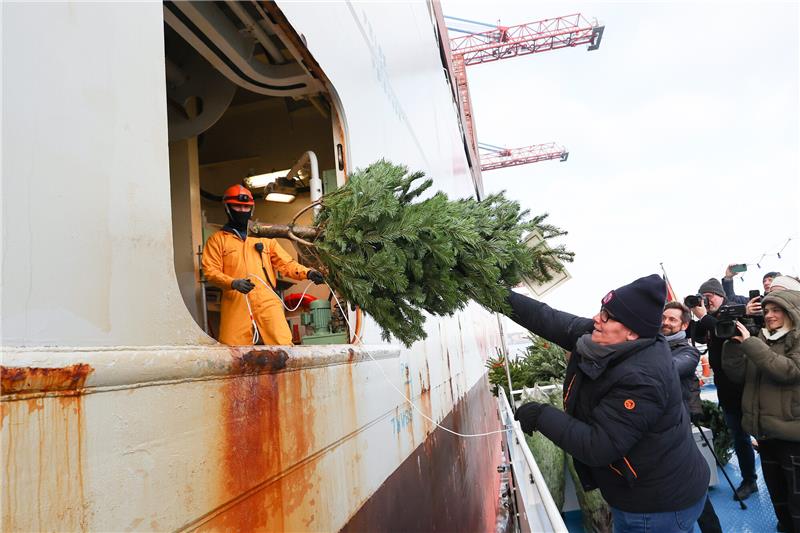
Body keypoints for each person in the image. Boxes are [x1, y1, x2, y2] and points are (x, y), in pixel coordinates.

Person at [509, 275, 710, 533]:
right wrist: (499, 295)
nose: (597, 319)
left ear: (632, 332)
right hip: (651, 490)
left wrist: (540, 415)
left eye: (607, 316)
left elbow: (599, 445)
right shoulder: (607, 338)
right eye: (602, 310)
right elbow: (549, 319)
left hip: (656, 506)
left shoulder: (643, 379)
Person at [201, 184, 324, 345]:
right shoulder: (217, 240)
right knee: (234, 350)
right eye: (237, 206)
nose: (242, 210)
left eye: (246, 207)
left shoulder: (264, 238)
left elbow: (286, 264)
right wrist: (233, 283)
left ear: (252, 208)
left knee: (283, 345)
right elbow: (210, 271)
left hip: (266, 298)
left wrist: (307, 272)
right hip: (236, 299)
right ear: (227, 208)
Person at [723, 290, 800, 532]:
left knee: (798, 497)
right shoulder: (761, 339)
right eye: (766, 311)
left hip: (792, 436)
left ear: (790, 312)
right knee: (778, 494)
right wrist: (733, 346)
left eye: (776, 310)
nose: (769, 315)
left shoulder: (797, 338)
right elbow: (738, 375)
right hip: (765, 434)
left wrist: (751, 343)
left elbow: (789, 371)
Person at [691, 278, 758, 500]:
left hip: (749, 388)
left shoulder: (737, 312)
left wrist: (704, 317)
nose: (706, 300)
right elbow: (697, 335)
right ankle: (750, 480)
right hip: (726, 391)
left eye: (709, 296)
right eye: (703, 297)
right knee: (739, 437)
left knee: (765, 438)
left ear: (720, 295)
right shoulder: (708, 319)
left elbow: (728, 332)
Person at [662, 302, 722, 533]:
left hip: (678, 425)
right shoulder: (651, 345)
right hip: (657, 427)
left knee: (690, 483)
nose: (666, 322)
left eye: (672, 319)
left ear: (684, 325)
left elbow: (668, 370)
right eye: (664, 318)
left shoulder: (688, 351)